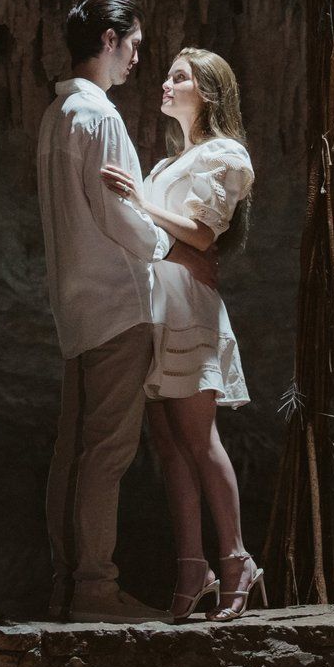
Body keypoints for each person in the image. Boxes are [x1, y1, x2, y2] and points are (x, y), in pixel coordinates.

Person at [36, 0, 215, 624]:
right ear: (109, 41)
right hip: (115, 303)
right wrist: (163, 236)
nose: (139, 58)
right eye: (135, 45)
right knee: (108, 452)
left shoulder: (57, 117)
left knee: (74, 450)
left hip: (77, 306)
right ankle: (94, 589)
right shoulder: (101, 117)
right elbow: (123, 217)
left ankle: (66, 583)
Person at [98, 48, 261, 622]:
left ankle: (237, 559)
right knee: (167, 447)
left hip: (188, 307)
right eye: (167, 74)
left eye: (180, 77)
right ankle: (192, 566)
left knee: (198, 439)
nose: (164, 83)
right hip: (154, 305)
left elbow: (200, 235)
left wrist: (138, 200)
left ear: (209, 92)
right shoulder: (169, 164)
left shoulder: (224, 155)